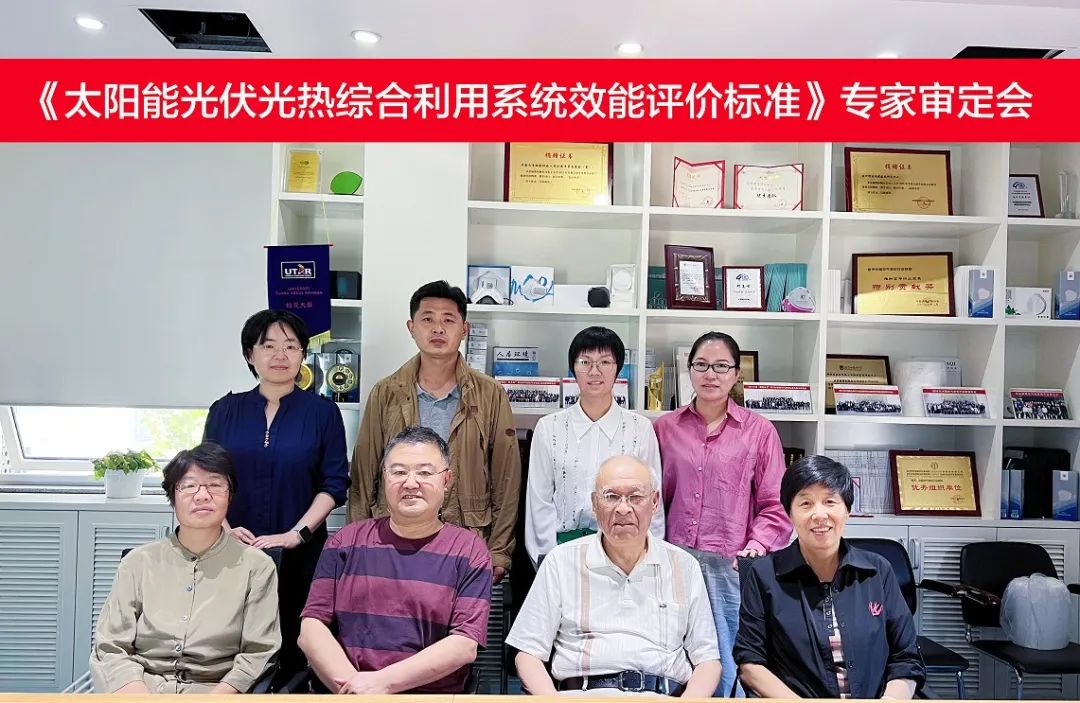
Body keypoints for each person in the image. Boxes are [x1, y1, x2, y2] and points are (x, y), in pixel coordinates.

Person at [203, 309, 350, 674]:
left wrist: (296, 534)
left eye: (291, 346)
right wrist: (224, 531)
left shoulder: (323, 413)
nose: (280, 355)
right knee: (227, 650)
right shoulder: (224, 411)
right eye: (268, 346)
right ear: (249, 354)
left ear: (303, 354)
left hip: (301, 555)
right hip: (232, 551)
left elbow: (334, 484)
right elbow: (208, 478)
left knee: (295, 653)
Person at [507, 455, 722, 698]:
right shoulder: (561, 562)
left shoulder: (684, 566)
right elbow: (528, 654)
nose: (623, 508)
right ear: (594, 504)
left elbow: (708, 661)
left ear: (654, 502)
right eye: (611, 496)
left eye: (635, 497)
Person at [350, 280, 521, 584]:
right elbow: (364, 474)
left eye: (448, 320)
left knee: (461, 616)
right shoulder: (386, 393)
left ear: (464, 329)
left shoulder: (490, 394)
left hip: (467, 539)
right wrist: (358, 542)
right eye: (427, 319)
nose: (438, 328)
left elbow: (506, 478)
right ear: (411, 327)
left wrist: (498, 550)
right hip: (393, 537)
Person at [299, 426, 492, 694]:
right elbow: (311, 627)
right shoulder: (346, 541)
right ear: (384, 477)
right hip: (346, 692)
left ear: (446, 480)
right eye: (399, 472)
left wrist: (382, 684)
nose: (410, 483)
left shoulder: (468, 550)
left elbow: (464, 644)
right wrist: (356, 690)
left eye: (424, 473)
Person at [653, 331, 792, 697]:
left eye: (720, 366)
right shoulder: (664, 429)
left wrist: (757, 545)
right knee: (673, 651)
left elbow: (776, 503)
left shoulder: (759, 432)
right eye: (701, 365)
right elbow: (653, 498)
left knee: (727, 654)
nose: (710, 374)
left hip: (730, 564)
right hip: (674, 560)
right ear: (689, 370)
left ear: (736, 374)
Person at [89, 442, 281, 693]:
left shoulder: (257, 567)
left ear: (230, 495)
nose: (202, 495)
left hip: (212, 691)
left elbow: (259, 652)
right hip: (140, 687)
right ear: (173, 498)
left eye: (215, 485)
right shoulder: (138, 562)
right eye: (189, 486)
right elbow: (111, 645)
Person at [734, 455, 925, 699]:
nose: (819, 514)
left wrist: (888, 700)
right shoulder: (764, 575)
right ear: (789, 513)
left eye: (830, 501)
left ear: (847, 510)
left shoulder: (878, 571)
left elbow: (906, 658)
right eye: (805, 503)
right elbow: (750, 664)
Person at [525, 326, 663, 567]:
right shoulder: (549, 428)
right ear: (573, 368)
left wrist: (647, 559)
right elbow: (539, 503)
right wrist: (549, 562)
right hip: (563, 552)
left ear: (618, 369)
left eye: (605, 362)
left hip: (626, 552)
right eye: (585, 362)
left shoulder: (640, 429)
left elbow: (652, 502)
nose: (594, 371)